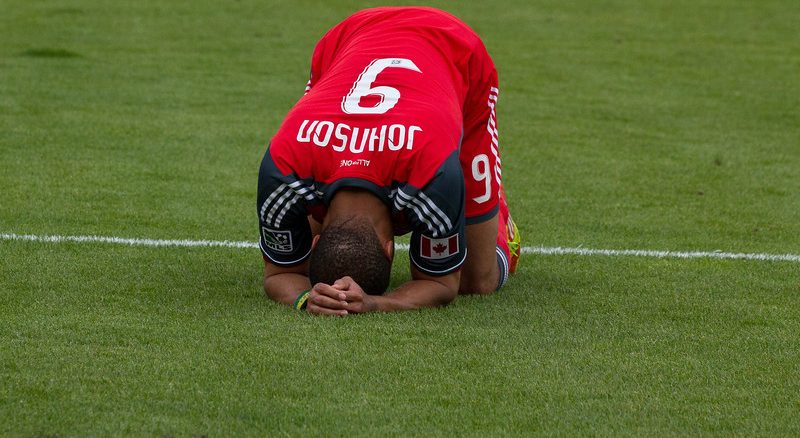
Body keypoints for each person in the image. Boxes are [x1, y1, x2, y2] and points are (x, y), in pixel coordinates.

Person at [257, 6, 520, 315]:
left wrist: (373, 303)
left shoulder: (433, 177)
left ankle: (500, 218)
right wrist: (306, 298)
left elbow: (444, 284)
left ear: (391, 248)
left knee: (477, 282)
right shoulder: (282, 170)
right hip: (347, 39)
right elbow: (280, 275)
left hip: (455, 49)